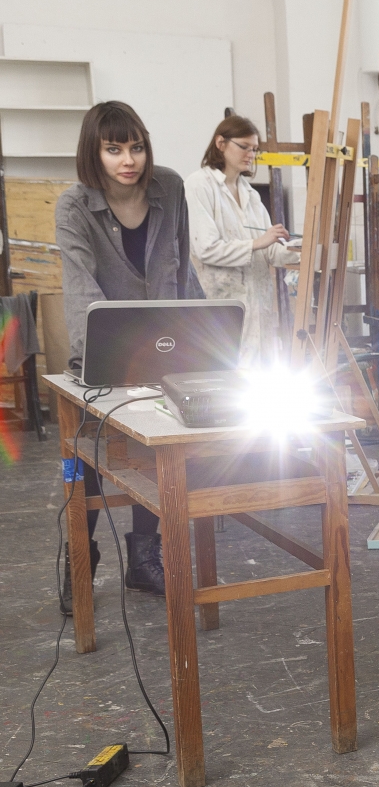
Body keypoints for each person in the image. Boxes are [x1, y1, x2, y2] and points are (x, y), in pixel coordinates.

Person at [56, 101, 204, 605]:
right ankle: (80, 558)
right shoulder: (74, 207)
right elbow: (80, 290)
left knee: (156, 454)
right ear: (93, 152)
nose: (129, 160)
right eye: (114, 149)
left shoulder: (170, 187)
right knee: (89, 459)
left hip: (165, 351)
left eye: (136, 147)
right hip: (103, 354)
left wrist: (209, 338)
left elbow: (182, 270)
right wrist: (99, 362)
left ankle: (144, 559)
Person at [185, 115, 300, 366]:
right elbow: (206, 249)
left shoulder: (251, 194)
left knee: (258, 375)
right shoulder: (198, 185)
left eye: (255, 149)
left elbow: (271, 252)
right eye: (244, 147)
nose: (251, 155)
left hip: (258, 307)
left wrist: (304, 251)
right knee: (224, 373)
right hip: (221, 305)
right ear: (221, 143)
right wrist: (257, 243)